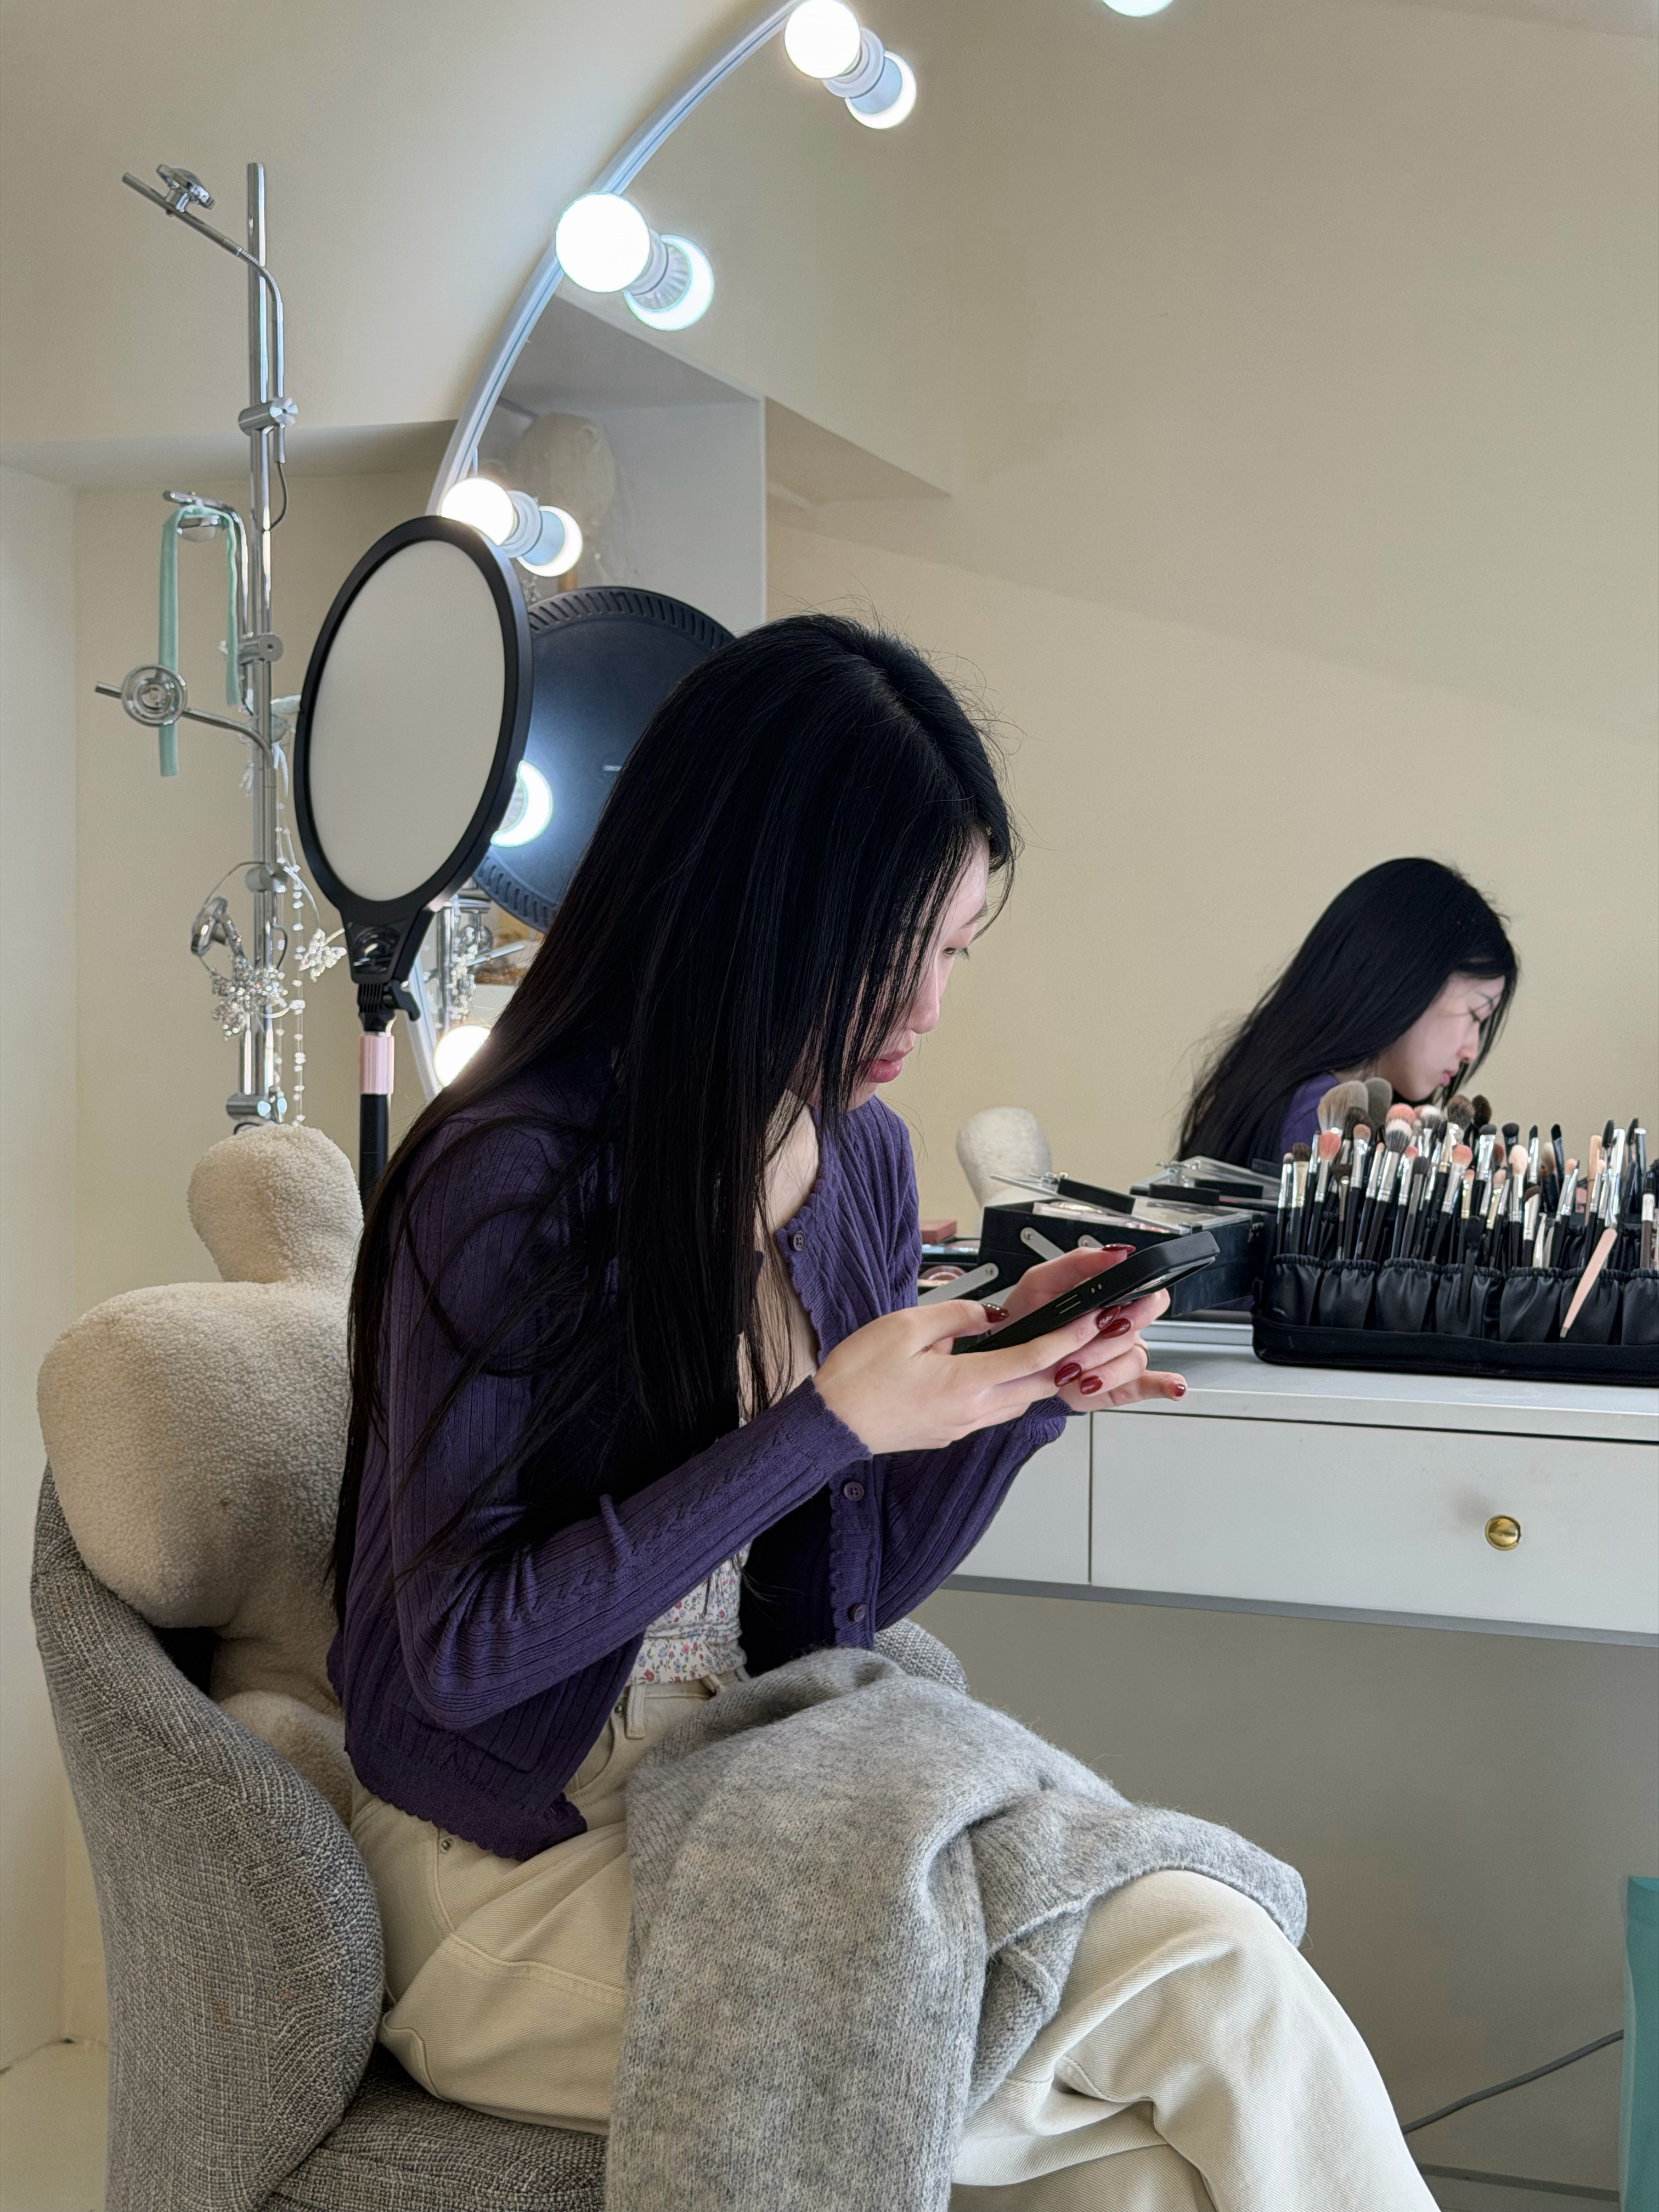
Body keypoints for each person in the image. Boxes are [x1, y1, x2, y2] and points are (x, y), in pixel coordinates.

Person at [331, 615, 1435, 2207]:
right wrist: (823, 1427)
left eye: (959, 948)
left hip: (765, 1795)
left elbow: (831, 1615)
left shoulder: (856, 1157)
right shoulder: (506, 1177)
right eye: (890, 945)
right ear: (748, 904)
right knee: (1218, 1977)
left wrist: (1015, 1398)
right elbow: (463, 1653)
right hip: (514, 1863)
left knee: (1147, 2174)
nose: (925, 1003)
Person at [1178, 857, 1519, 1171]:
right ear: (1409, 980)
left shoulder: (1310, 1101)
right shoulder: (1317, 1118)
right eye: (1476, 1015)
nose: (1471, 1051)